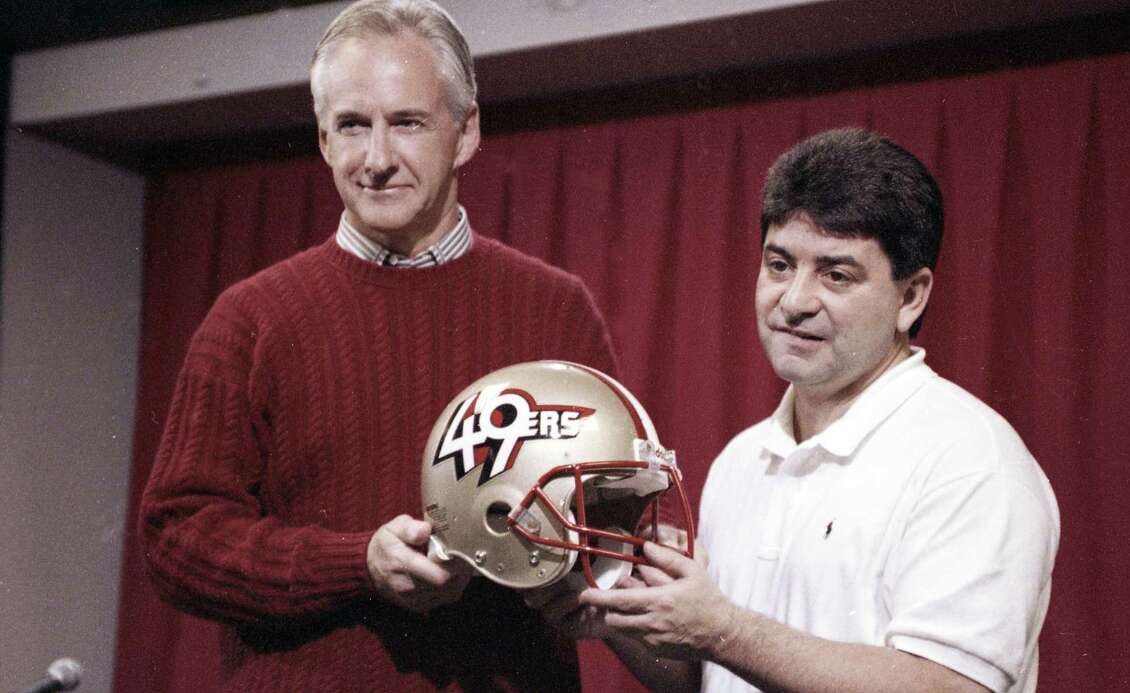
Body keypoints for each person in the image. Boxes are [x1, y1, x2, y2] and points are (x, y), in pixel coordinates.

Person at [138, 1, 616, 690]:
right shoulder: (249, 318)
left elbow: (613, 520)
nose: (378, 159)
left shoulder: (556, 309)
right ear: (325, 140)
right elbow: (174, 540)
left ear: (467, 131)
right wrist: (356, 562)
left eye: (408, 123)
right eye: (353, 126)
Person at [530, 127, 1060, 693]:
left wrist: (721, 629)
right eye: (780, 265)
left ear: (911, 297)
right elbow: (709, 678)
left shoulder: (970, 458)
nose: (794, 301)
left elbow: (951, 687)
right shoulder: (743, 459)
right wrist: (617, 611)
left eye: (836, 274)